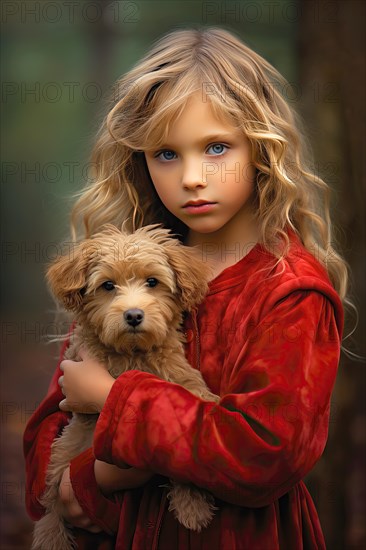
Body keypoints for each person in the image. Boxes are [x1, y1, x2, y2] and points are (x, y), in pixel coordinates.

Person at [24, 27, 348, 549]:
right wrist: (79, 484)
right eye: (166, 155)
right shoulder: (133, 270)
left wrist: (114, 419)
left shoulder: (289, 292)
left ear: (264, 148)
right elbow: (50, 431)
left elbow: (265, 454)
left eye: (216, 147)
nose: (192, 177)